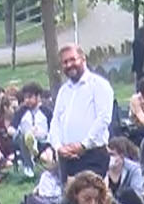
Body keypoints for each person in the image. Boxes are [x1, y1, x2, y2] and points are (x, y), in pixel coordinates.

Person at [50, 45, 117, 181]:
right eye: (65, 62)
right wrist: (58, 147)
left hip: (92, 155)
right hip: (67, 159)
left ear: (83, 59)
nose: (69, 65)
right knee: (69, 200)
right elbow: (56, 121)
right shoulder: (64, 91)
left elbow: (103, 119)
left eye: (72, 60)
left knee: (90, 199)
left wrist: (83, 145)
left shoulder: (99, 85)